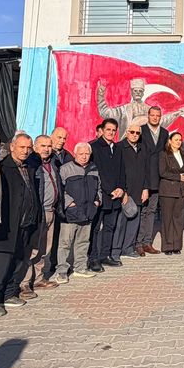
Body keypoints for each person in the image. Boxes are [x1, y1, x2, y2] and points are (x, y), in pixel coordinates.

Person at [0, 133, 37, 318]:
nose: (25, 151)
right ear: (12, 147)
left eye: (28, 148)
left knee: (18, 262)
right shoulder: (3, 168)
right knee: (0, 265)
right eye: (22, 147)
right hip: (6, 227)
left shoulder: (28, 167)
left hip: (25, 224)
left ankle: (9, 293)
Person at [54, 142, 101, 284]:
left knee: (83, 242)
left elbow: (99, 188)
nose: (84, 156)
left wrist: (97, 201)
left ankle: (80, 268)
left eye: (87, 154)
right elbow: (60, 189)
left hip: (88, 212)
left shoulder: (94, 169)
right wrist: (69, 204)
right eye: (81, 154)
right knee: (65, 243)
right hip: (71, 213)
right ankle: (62, 271)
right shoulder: (65, 169)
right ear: (75, 154)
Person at [20, 135, 61, 297]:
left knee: (44, 248)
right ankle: (24, 283)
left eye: (49, 146)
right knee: (32, 249)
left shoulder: (53, 163)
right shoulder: (31, 164)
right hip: (37, 213)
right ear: (35, 147)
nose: (46, 149)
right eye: (43, 146)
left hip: (51, 211)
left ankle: (38, 278)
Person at [88, 119, 125, 271]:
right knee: (96, 228)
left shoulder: (117, 148)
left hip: (115, 196)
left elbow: (122, 170)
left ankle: (105, 255)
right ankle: (93, 258)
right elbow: (95, 172)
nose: (111, 132)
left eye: (113, 130)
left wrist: (121, 188)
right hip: (101, 194)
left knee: (110, 226)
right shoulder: (93, 147)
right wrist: (109, 189)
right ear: (102, 130)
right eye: (108, 129)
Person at [97, 77, 184, 136]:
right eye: (135, 91)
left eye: (140, 91)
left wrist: (178, 113)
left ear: (143, 93)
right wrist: (101, 94)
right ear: (131, 92)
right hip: (126, 147)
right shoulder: (123, 110)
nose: (138, 93)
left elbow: (162, 121)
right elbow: (104, 112)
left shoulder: (149, 110)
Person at [112, 123, 150, 260]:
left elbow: (146, 170)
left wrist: (145, 188)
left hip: (138, 189)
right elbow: (116, 171)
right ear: (127, 132)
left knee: (134, 221)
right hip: (124, 191)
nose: (135, 135)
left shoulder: (142, 148)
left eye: (137, 133)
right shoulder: (119, 147)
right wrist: (123, 191)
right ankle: (116, 250)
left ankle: (128, 249)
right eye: (132, 132)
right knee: (121, 222)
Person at [137, 107, 168, 255]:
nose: (155, 118)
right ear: (148, 116)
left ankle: (147, 242)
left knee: (151, 211)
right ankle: (138, 243)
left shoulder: (164, 133)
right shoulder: (141, 131)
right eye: (152, 115)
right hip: (143, 176)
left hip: (158, 178)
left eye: (158, 116)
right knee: (141, 212)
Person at [159, 132, 184, 254]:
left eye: (180, 140)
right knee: (167, 219)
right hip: (168, 191)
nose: (178, 142)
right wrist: (178, 177)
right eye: (176, 139)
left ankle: (177, 246)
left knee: (178, 219)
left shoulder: (183, 154)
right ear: (170, 141)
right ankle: (168, 246)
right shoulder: (164, 154)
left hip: (181, 191)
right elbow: (162, 172)